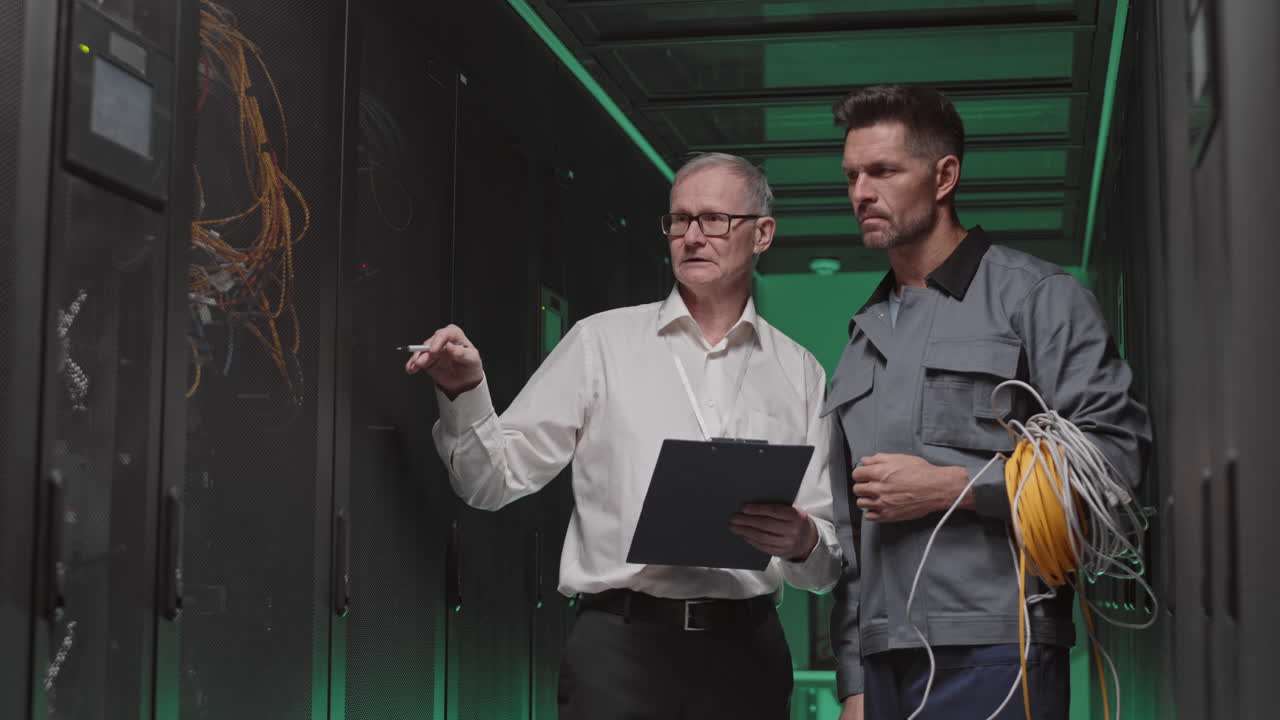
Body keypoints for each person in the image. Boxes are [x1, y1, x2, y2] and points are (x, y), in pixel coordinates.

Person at [405, 152, 844, 719]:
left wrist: (804, 540)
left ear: (761, 234)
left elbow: (826, 562)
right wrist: (466, 392)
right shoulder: (600, 345)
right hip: (620, 651)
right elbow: (490, 482)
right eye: (679, 220)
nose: (691, 236)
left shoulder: (800, 371)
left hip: (748, 655)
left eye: (713, 219)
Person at [821, 85, 1152, 720]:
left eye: (884, 171)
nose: (861, 192)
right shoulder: (864, 336)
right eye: (853, 175)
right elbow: (856, 532)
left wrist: (957, 487)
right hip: (885, 662)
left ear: (945, 176)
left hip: (1000, 647)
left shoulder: (1037, 299)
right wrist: (855, 680)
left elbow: (1114, 469)